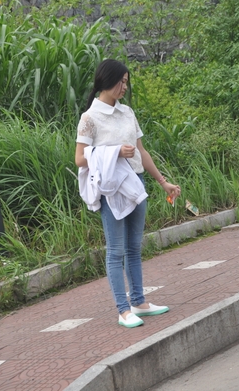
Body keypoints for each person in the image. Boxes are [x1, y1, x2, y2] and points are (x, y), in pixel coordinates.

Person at [75, 59, 181, 328]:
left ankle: (139, 302)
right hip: (112, 189)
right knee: (116, 250)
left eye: (126, 82)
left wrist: (163, 182)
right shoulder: (89, 118)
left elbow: (141, 151)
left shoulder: (127, 112)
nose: (124, 87)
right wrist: (115, 152)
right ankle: (123, 311)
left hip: (136, 183)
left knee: (134, 247)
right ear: (106, 81)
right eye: (121, 82)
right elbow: (79, 158)